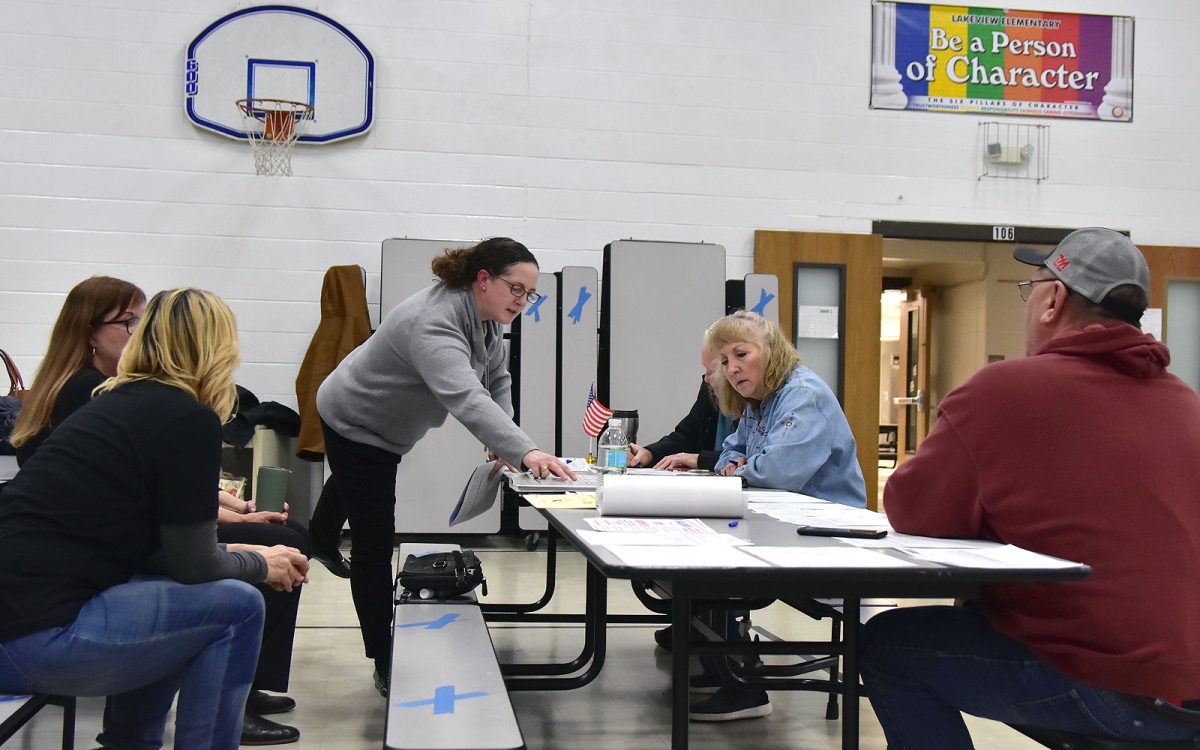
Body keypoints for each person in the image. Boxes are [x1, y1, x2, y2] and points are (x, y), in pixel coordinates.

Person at [859, 228, 1200, 748]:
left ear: (1053, 299)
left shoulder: (1004, 391)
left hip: (1114, 685)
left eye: (1030, 286)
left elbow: (912, 509)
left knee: (888, 644)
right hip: (1187, 684)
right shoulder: (1186, 404)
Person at [0, 287, 309, 749]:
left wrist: (249, 550)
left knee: (174, 597)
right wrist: (263, 564)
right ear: (217, 348)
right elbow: (195, 565)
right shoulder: (185, 418)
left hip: (18, 622)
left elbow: (160, 551)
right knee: (237, 607)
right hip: (34, 637)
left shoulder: (116, 402)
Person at [317, 237, 575, 694]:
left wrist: (505, 442)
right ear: (483, 280)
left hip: (387, 428)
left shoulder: (485, 316)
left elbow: (497, 378)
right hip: (357, 420)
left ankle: (317, 534)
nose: (523, 301)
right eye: (517, 289)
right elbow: (466, 397)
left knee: (356, 485)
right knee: (374, 544)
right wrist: (525, 451)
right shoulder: (434, 323)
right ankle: (383, 656)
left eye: (529, 293)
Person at [687, 310, 867, 722]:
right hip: (779, 525)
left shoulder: (804, 395)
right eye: (725, 362)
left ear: (771, 351)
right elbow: (732, 451)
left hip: (827, 538)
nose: (732, 369)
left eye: (741, 354)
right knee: (691, 566)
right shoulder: (760, 400)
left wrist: (742, 467)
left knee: (704, 573)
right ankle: (727, 666)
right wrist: (739, 465)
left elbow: (775, 474)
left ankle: (743, 684)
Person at [10, 276, 145, 465]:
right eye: (128, 322)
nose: (139, 332)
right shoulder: (92, 391)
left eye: (142, 321)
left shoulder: (66, 382)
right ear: (90, 334)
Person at [627, 343, 732, 472]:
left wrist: (700, 459)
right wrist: (650, 453)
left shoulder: (756, 400)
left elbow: (748, 457)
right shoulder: (710, 389)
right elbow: (687, 436)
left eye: (712, 371)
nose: (706, 379)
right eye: (706, 370)